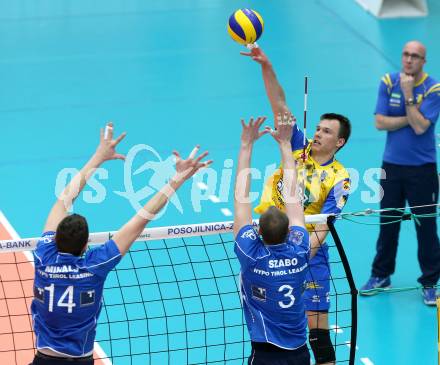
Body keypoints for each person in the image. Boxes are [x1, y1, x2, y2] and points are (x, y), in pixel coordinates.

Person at [30, 123, 212, 365]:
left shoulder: (43, 255)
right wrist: (176, 179)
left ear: (54, 239)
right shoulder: (95, 265)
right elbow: (141, 219)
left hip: (44, 360)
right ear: (86, 247)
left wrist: (97, 157)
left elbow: (64, 200)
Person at [241, 45, 351, 365]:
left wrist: (298, 256)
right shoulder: (298, 146)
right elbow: (279, 105)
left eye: (327, 132)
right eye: (318, 128)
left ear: (339, 142)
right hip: (268, 243)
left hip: (307, 253)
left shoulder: (340, 178)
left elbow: (323, 228)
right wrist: (266, 65)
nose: (318, 133)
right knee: (266, 324)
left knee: (316, 331)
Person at [360, 40, 440, 306]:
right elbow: (379, 121)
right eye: (405, 54)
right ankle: (381, 275)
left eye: (415, 56)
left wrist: (408, 97)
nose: (408, 60)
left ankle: (430, 282)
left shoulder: (434, 88)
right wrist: (411, 115)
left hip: (423, 171)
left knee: (426, 228)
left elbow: (420, 129)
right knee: (388, 224)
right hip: (391, 168)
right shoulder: (387, 81)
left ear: (423, 61)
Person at [233, 114, 312, 365]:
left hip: (266, 353)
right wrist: (285, 144)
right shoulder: (300, 247)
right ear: (290, 232)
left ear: (257, 234)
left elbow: (241, 199)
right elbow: (292, 197)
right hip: (300, 352)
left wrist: (247, 145)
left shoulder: (251, 255)